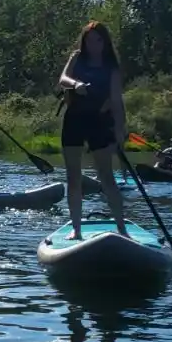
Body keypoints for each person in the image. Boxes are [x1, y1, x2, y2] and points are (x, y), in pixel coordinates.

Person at [58, 21, 129, 239]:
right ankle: (76, 230)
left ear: (104, 41)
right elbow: (63, 79)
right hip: (74, 119)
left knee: (106, 176)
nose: (93, 45)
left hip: (99, 121)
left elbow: (117, 101)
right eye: (89, 40)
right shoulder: (77, 57)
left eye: (97, 40)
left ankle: (122, 229)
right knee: (73, 176)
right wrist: (75, 84)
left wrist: (120, 128)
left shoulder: (111, 66)